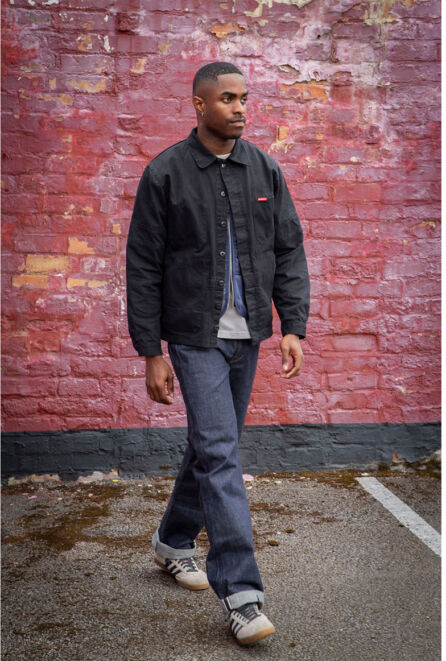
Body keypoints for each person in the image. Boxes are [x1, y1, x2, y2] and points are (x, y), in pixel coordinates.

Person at [126, 61, 309, 645]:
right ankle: (243, 594)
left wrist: (292, 325)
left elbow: (288, 250)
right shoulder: (166, 173)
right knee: (221, 453)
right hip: (193, 336)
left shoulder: (264, 168)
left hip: (247, 333)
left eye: (244, 98)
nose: (239, 108)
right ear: (198, 105)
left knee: (210, 447)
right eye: (227, 99)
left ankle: (174, 541)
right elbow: (143, 266)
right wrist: (150, 351)